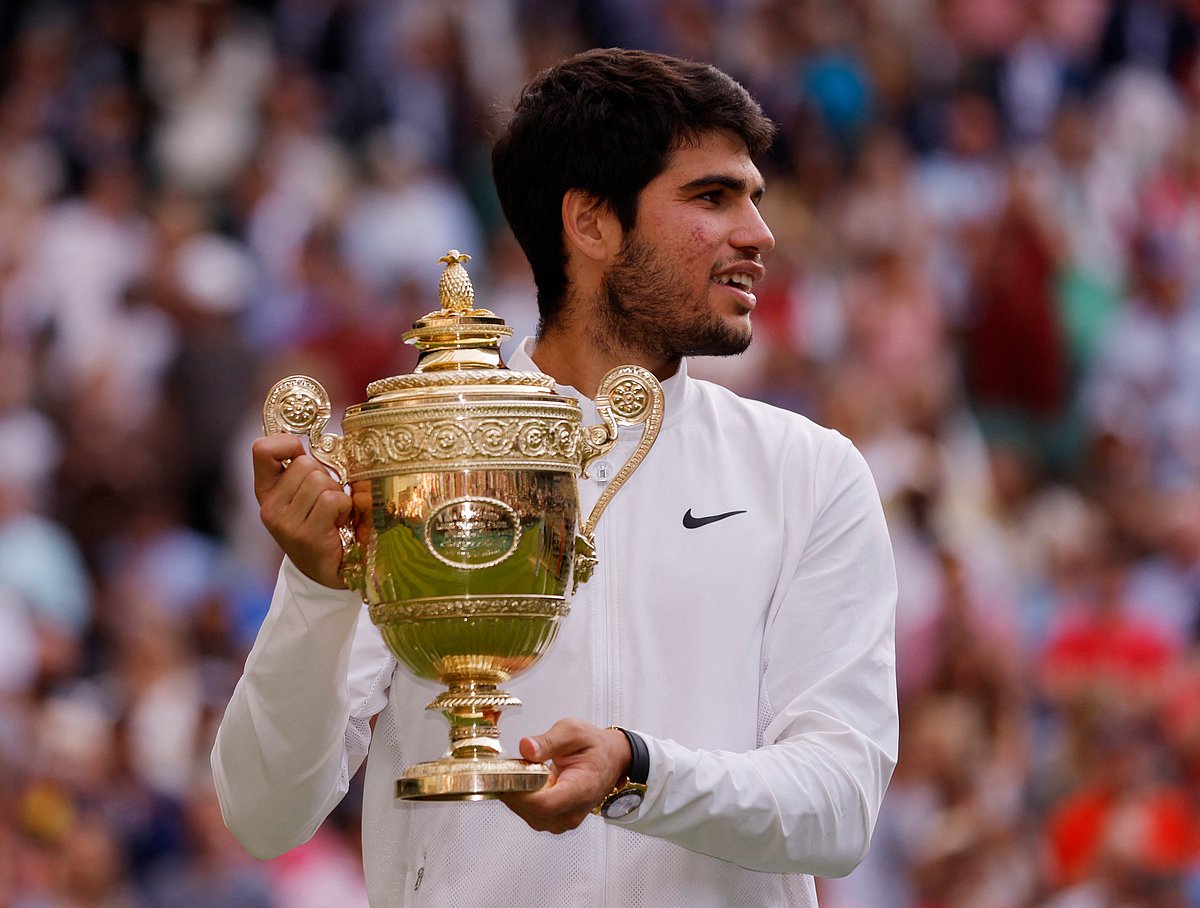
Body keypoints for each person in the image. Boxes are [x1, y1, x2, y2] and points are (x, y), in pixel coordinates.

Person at [211, 47, 898, 907]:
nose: (758, 233)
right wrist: (317, 595)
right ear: (593, 224)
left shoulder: (811, 472)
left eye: (753, 199)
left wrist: (638, 772)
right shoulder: (416, 458)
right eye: (713, 196)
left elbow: (840, 806)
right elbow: (262, 816)